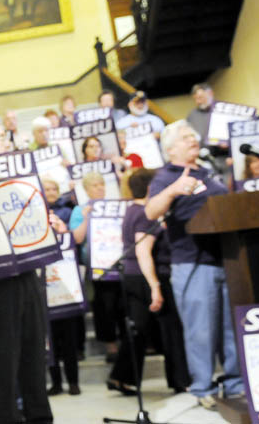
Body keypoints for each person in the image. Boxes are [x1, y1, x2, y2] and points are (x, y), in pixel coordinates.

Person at [145, 120, 244, 410]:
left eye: (193, 136)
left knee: (230, 328)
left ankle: (235, 383)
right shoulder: (166, 176)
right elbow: (152, 211)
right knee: (201, 330)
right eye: (186, 137)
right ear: (170, 148)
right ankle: (202, 387)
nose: (193, 140)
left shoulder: (209, 171)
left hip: (226, 258)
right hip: (192, 262)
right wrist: (174, 190)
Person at [0, 121, 53, 424]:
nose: (8, 143)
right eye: (1, 138)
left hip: (28, 271)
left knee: (34, 355)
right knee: (3, 361)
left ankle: (40, 416)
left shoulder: (18, 176)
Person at [107, 169, 190, 395]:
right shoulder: (145, 213)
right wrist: (155, 286)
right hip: (148, 276)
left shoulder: (132, 210)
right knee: (170, 329)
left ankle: (121, 377)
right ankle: (180, 379)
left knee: (139, 329)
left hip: (134, 276)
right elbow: (143, 251)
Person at [69, 173, 125, 366]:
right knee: (105, 307)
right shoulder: (79, 210)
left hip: (121, 264)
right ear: (86, 189)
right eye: (94, 185)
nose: (100, 188)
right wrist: (85, 218)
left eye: (101, 184)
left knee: (122, 306)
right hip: (98, 268)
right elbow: (76, 239)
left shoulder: (116, 205)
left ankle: (128, 344)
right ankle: (111, 346)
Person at [41, 179, 81, 397]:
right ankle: (56, 382)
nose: (52, 192)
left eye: (55, 188)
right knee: (51, 340)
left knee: (69, 338)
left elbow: (74, 241)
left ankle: (74, 381)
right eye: (47, 188)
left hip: (65, 284)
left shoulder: (67, 211)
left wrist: (62, 229)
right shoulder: (36, 212)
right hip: (46, 285)